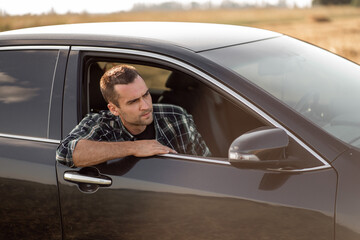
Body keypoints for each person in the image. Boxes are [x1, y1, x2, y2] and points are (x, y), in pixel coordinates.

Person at [56, 64, 210, 168]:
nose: (146, 105)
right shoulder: (101, 124)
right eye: (133, 102)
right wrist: (134, 147)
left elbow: (207, 164)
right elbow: (64, 153)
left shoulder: (176, 116)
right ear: (114, 109)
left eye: (146, 94)